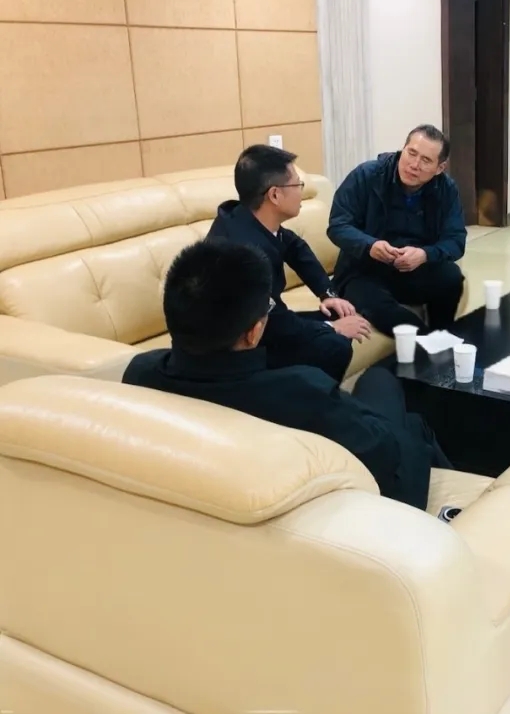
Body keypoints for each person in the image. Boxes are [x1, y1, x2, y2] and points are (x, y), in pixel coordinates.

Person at [123, 238, 450, 510]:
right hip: (372, 504)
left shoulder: (140, 374)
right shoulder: (302, 391)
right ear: (254, 332)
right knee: (396, 401)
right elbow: (386, 454)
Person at [208, 144, 370, 383]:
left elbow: (295, 248)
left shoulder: (242, 216)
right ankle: (313, 401)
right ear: (274, 195)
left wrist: (327, 293)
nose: (301, 192)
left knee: (338, 316)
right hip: (237, 348)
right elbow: (274, 323)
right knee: (335, 344)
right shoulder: (247, 253)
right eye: (297, 185)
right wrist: (331, 328)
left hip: (262, 324)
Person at [328, 125, 467, 335]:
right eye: (411, 153)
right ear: (403, 149)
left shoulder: (445, 189)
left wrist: (424, 254)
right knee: (389, 313)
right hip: (362, 271)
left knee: (451, 277)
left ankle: (442, 335)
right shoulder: (367, 175)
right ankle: (429, 342)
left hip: (412, 270)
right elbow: (338, 225)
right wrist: (370, 245)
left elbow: (456, 240)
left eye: (426, 160)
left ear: (440, 168)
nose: (414, 165)